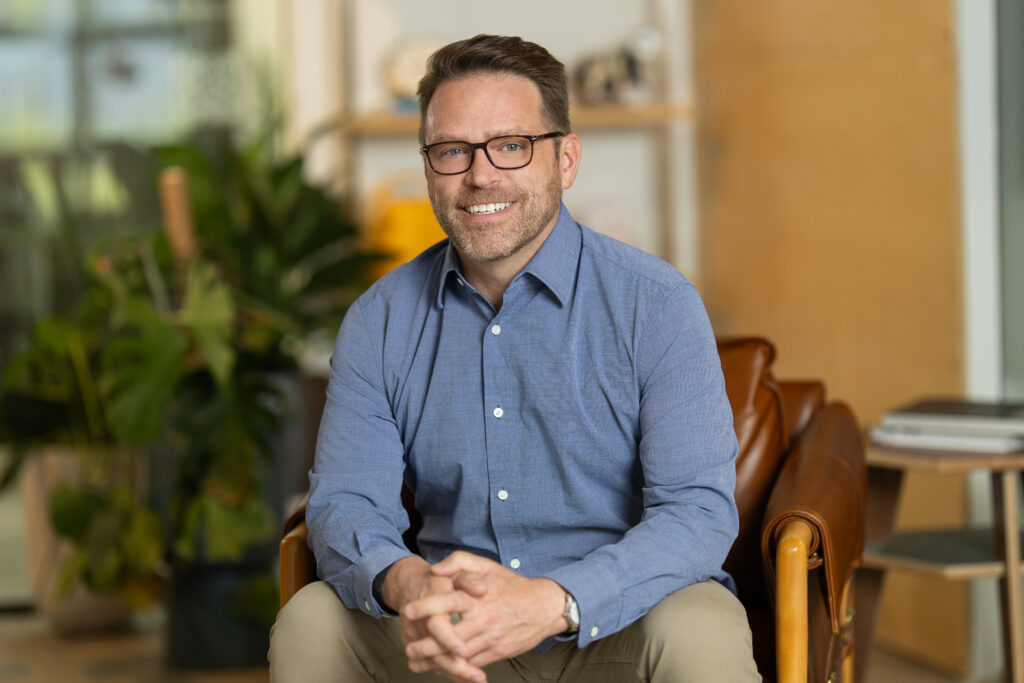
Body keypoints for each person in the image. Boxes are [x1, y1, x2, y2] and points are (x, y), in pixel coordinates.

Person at [269, 34, 759, 683]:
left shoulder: (658, 305)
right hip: (453, 636)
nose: (479, 175)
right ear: (428, 168)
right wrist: (409, 584)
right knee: (311, 619)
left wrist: (553, 601)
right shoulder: (379, 320)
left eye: (510, 145)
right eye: (452, 151)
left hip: (618, 623)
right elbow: (347, 502)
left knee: (701, 623)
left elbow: (696, 514)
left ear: (567, 158)